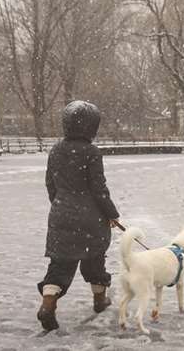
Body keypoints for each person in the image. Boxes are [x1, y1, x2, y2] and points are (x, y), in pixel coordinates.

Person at [37, 100, 120, 331]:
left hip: (61, 214)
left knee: (60, 265)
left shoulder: (55, 150)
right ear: (92, 126)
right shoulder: (92, 152)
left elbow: (50, 184)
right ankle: (100, 300)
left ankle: (48, 304)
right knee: (94, 260)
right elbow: (98, 189)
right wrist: (112, 214)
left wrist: (62, 205)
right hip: (90, 218)